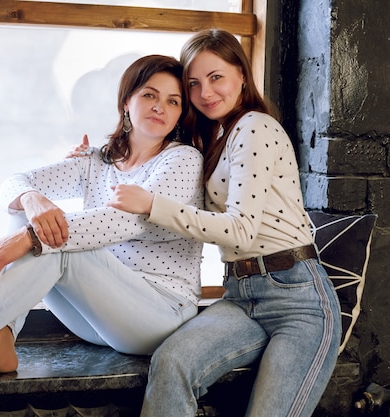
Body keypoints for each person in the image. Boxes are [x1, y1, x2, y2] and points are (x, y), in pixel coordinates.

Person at [0, 54, 204, 385]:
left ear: (179, 114)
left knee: (50, 236)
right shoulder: (97, 160)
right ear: (126, 102)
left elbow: (123, 223)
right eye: (149, 94)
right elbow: (13, 183)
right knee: (28, 216)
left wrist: (31, 237)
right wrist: (33, 200)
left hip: (160, 315)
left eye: (172, 101)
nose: (160, 106)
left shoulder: (183, 160)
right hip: (99, 320)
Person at [90, 29, 341, 417]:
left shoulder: (255, 126)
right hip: (240, 295)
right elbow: (150, 153)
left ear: (242, 74)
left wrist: (151, 204)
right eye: (193, 83)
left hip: (298, 300)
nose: (205, 92)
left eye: (216, 77)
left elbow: (240, 229)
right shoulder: (211, 139)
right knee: (172, 363)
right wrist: (97, 158)